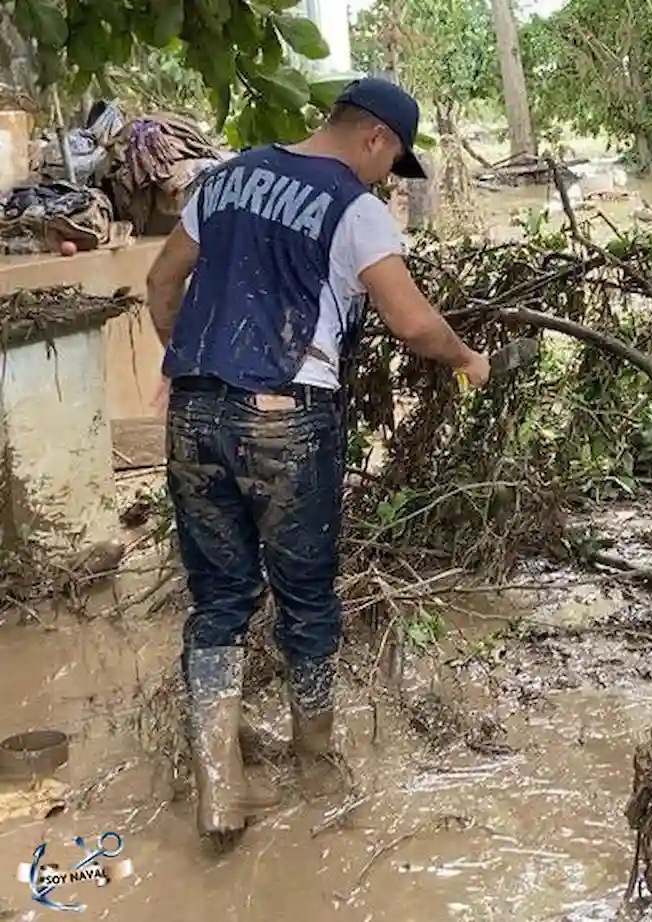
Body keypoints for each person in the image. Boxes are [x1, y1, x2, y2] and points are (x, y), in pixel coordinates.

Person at [144, 77, 490, 843]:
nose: (385, 181)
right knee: (305, 596)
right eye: (391, 163)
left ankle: (219, 787)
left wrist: (190, 367)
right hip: (287, 421)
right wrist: (468, 359)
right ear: (374, 139)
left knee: (219, 600)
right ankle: (317, 761)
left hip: (194, 413)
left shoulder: (223, 178)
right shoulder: (354, 210)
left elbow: (163, 282)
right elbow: (413, 323)